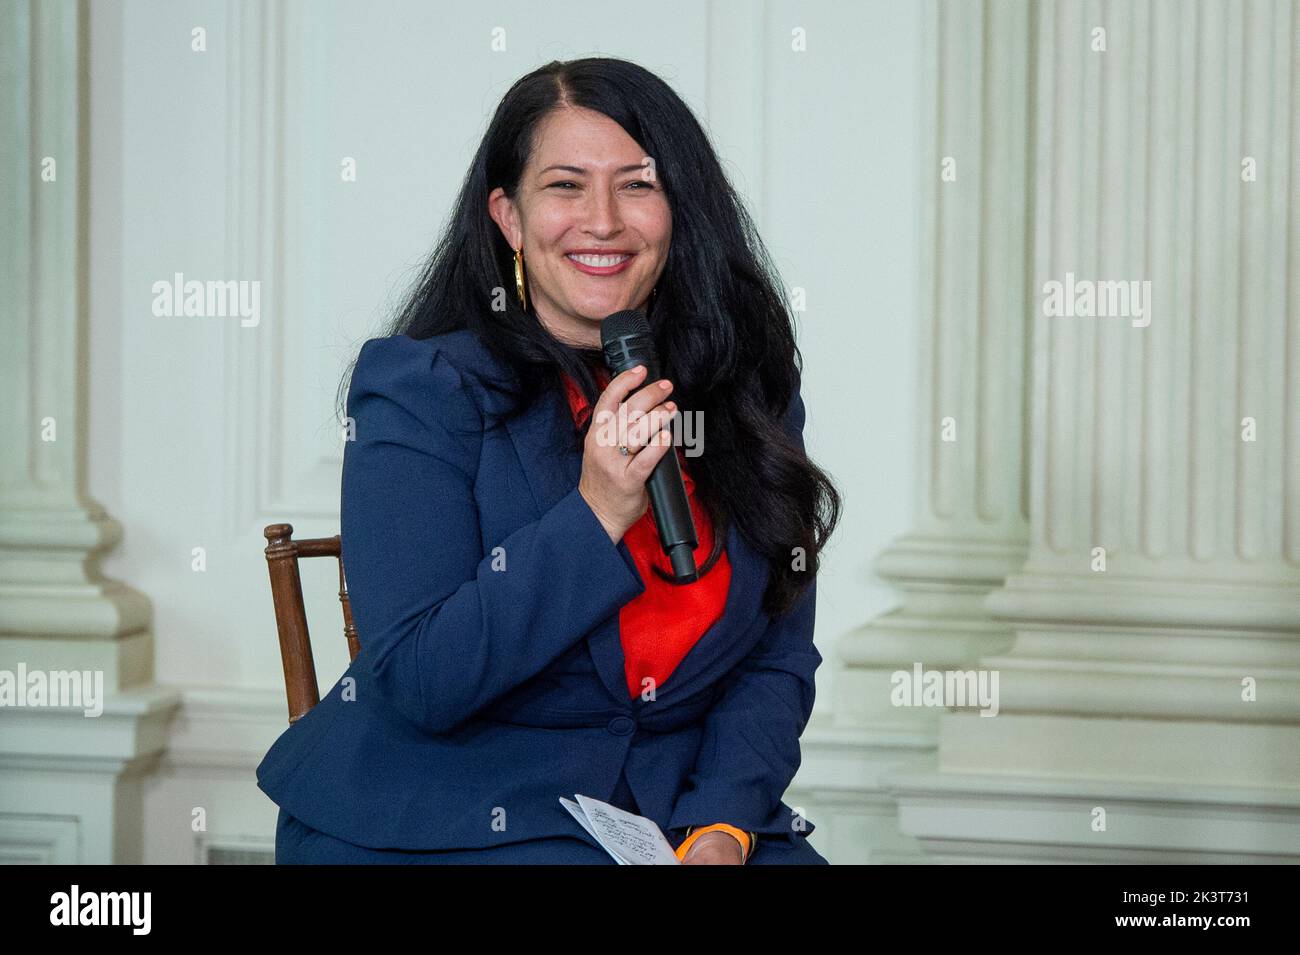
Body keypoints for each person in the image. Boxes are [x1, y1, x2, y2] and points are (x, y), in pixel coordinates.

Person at [257, 56, 842, 864]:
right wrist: (597, 511)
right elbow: (424, 681)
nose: (602, 221)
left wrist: (722, 825)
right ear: (509, 217)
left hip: (674, 810)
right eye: (565, 186)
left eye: (637, 184)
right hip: (456, 808)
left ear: (679, 210)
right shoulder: (423, 389)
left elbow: (777, 657)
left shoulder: (746, 393)